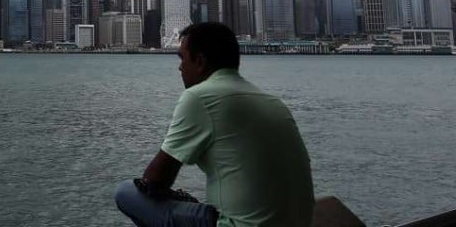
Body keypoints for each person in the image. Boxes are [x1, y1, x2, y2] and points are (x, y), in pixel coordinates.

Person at [114, 23, 314, 227]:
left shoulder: (198, 97)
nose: (180, 67)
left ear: (200, 61)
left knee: (126, 192)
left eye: (182, 58)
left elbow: (154, 181)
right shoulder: (274, 102)